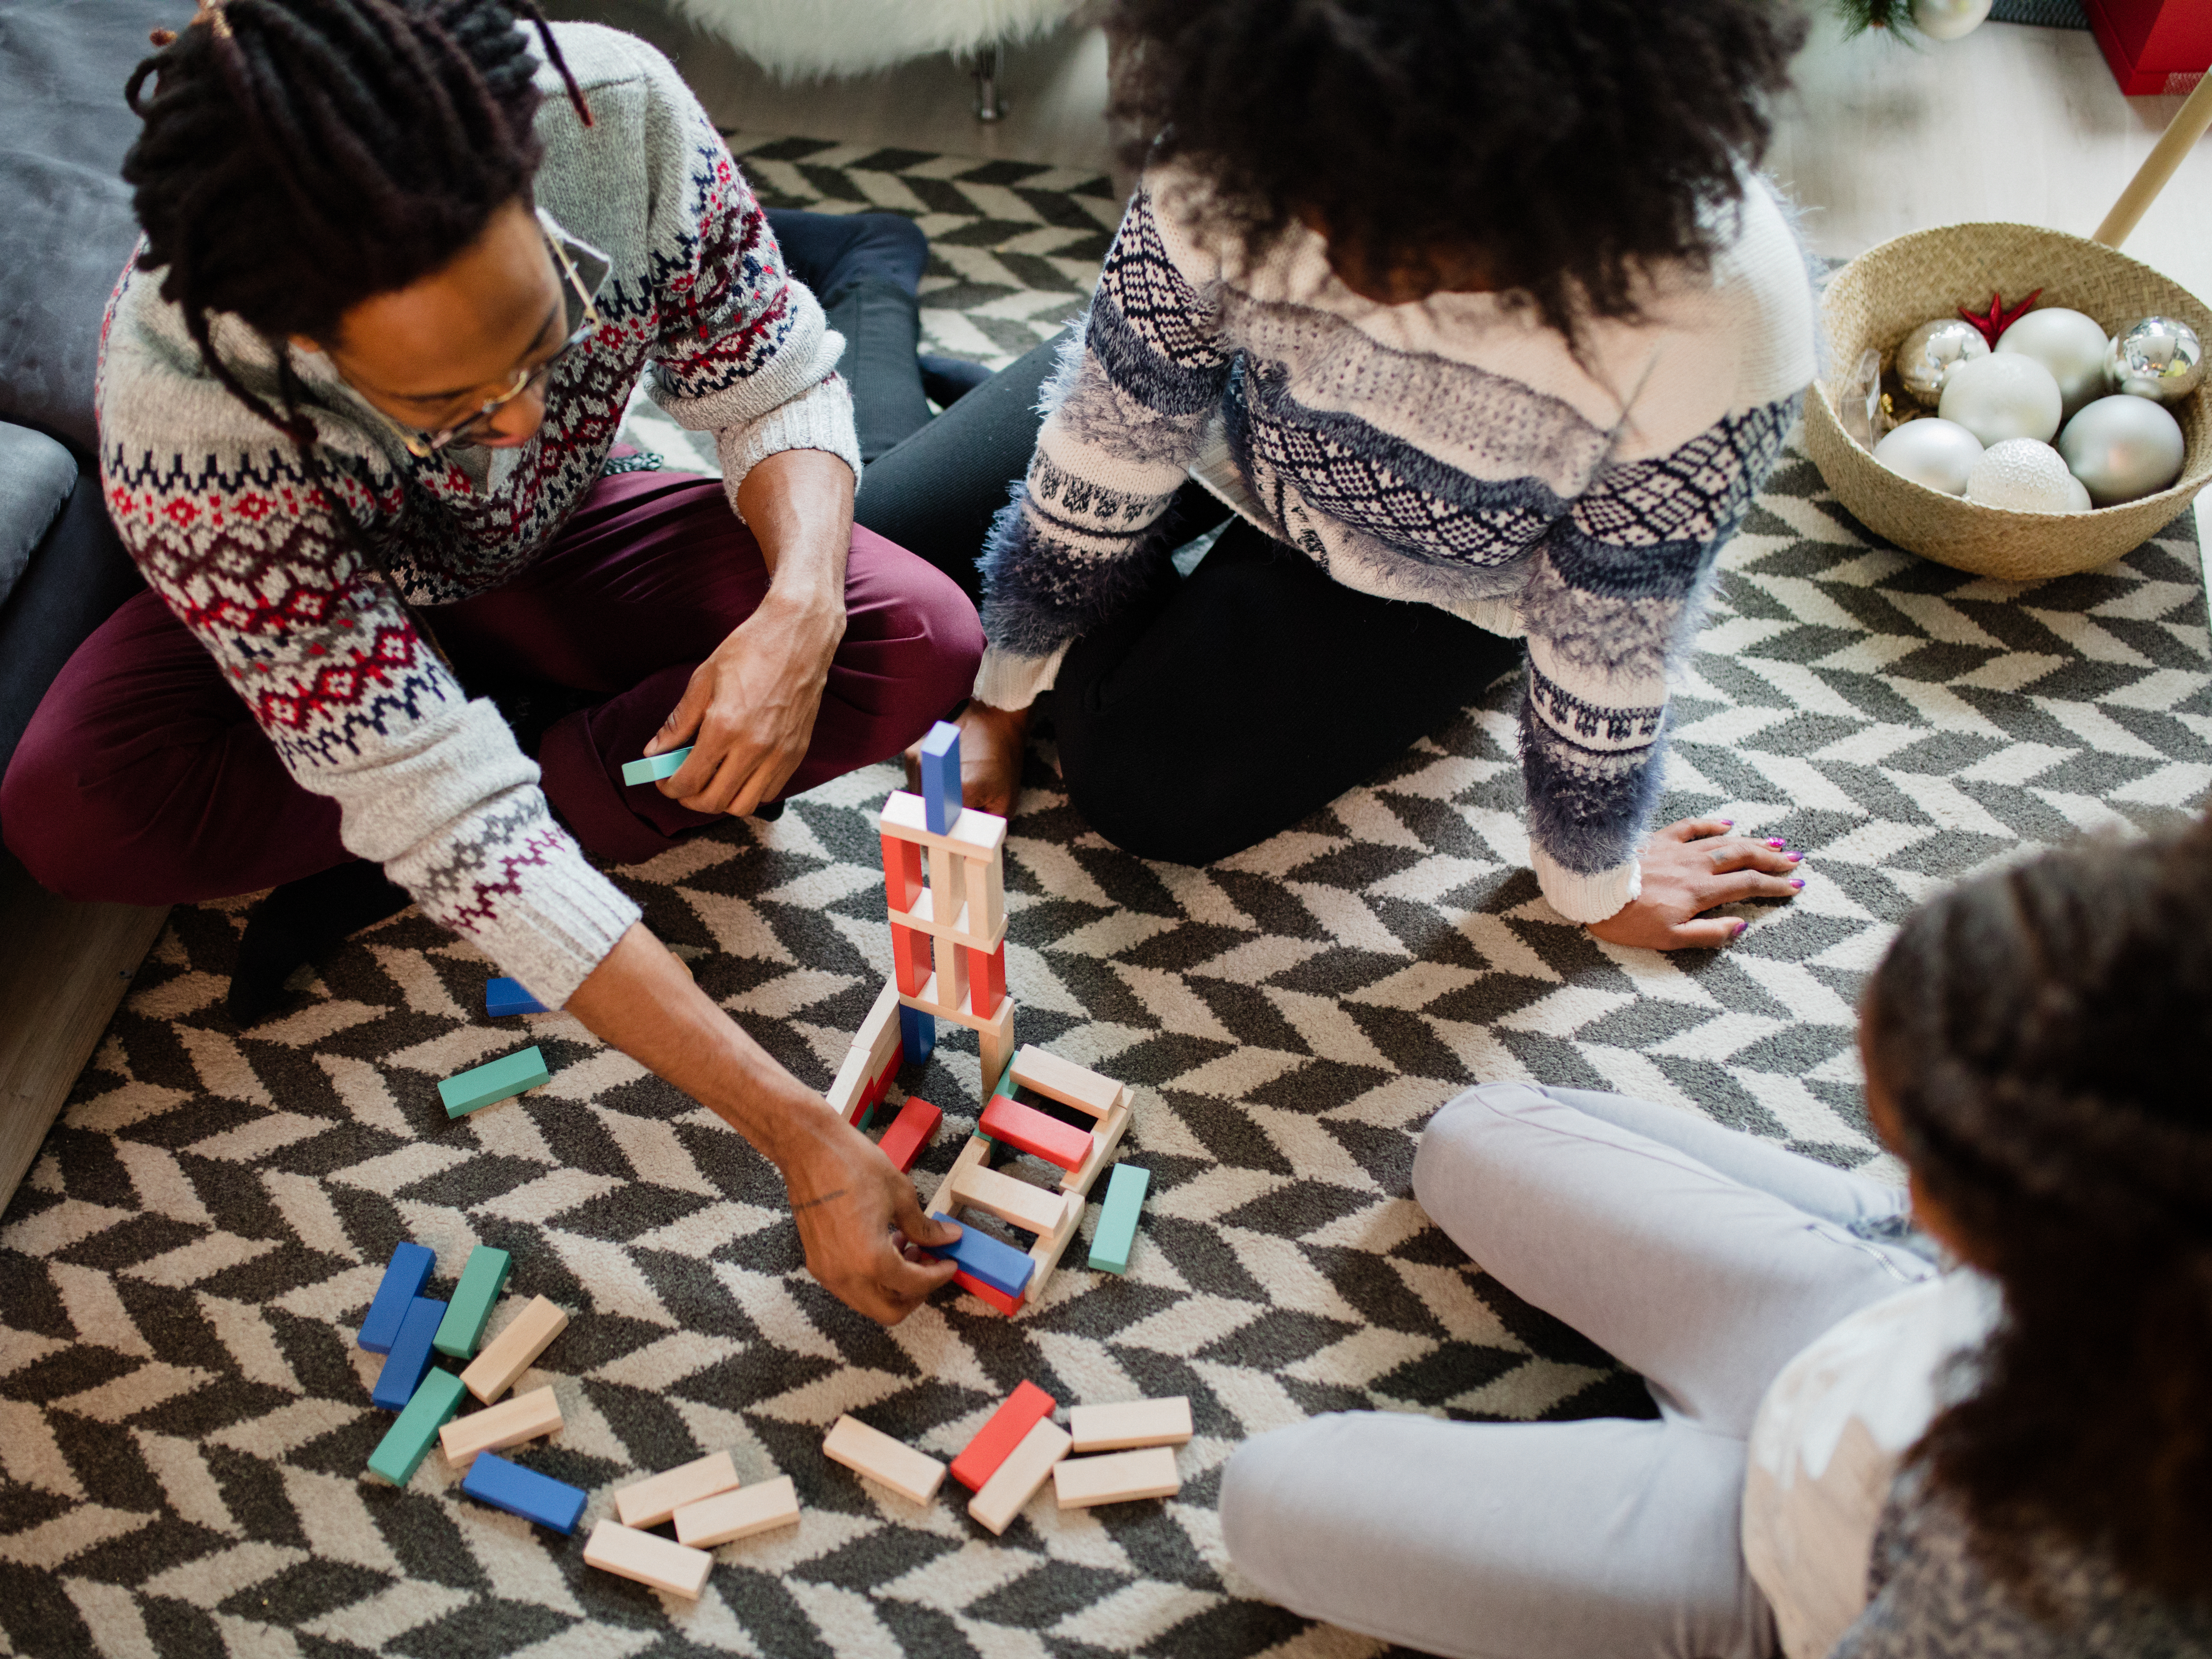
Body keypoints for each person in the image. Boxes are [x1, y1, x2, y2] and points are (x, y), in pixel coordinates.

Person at [0, 0, 976, 1325]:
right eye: (449, 403)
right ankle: (467, 752)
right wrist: (799, 1133)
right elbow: (458, 827)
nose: (518, 421)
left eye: (542, 333)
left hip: (573, 538)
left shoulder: (611, 106)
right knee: (74, 807)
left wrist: (798, 612)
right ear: (302, 350)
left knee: (914, 636)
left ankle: (452, 756)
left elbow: (763, 373)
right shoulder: (184, 392)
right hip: (331, 589)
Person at [853, 0, 1817, 951]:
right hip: (1232, 412)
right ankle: (867, 272)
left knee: (1142, 785)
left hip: (1446, 563)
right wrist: (1001, 690)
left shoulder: (1718, 305)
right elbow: (1122, 416)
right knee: (872, 556)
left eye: (1413, 227)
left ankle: (1091, 531)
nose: (1351, 268)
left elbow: (1607, 622)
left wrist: (1595, 884)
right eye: (1321, 201)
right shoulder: (1259, 111)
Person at [1216, 822, 2212, 1658]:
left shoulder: (2048, 1575)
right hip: (1871, 1321)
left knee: (1266, 1500)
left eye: (1912, 1155)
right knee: (1471, 1138)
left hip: (1785, 1570)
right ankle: (1874, 1248)